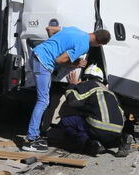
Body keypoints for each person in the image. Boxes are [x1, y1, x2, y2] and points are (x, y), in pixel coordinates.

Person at [23, 25, 112, 153]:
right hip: (44, 62)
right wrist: (76, 64)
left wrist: (55, 47)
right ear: (99, 44)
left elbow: (49, 29)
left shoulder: (75, 29)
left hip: (37, 53)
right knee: (43, 101)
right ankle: (31, 140)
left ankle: (34, 136)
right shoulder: (84, 46)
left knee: (43, 99)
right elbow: (59, 60)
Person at [57, 64, 132, 157]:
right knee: (103, 132)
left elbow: (73, 101)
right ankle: (121, 139)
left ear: (86, 78)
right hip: (117, 130)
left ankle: (89, 144)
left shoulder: (89, 84)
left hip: (98, 127)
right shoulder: (110, 92)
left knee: (66, 122)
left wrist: (72, 85)